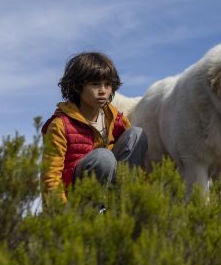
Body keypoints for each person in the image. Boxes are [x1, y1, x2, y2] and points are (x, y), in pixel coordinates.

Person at [40, 52, 147, 204]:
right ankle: (94, 214)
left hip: (111, 192)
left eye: (107, 84)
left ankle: (125, 206)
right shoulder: (60, 125)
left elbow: (136, 164)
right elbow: (50, 176)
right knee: (103, 157)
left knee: (137, 134)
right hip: (77, 200)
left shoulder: (115, 119)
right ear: (77, 87)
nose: (103, 90)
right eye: (95, 84)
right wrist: (61, 214)